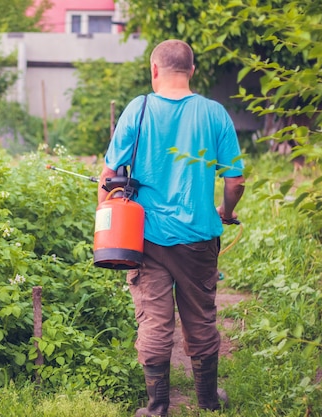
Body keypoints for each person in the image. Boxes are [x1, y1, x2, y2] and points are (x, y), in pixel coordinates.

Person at [98, 39, 246, 416]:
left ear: (154, 70)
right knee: (201, 318)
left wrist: (107, 224)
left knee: (153, 320)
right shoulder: (215, 114)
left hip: (144, 237)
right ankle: (209, 402)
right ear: (192, 70)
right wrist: (226, 213)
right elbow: (235, 182)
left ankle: (157, 407)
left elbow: (109, 176)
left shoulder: (138, 108)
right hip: (199, 238)